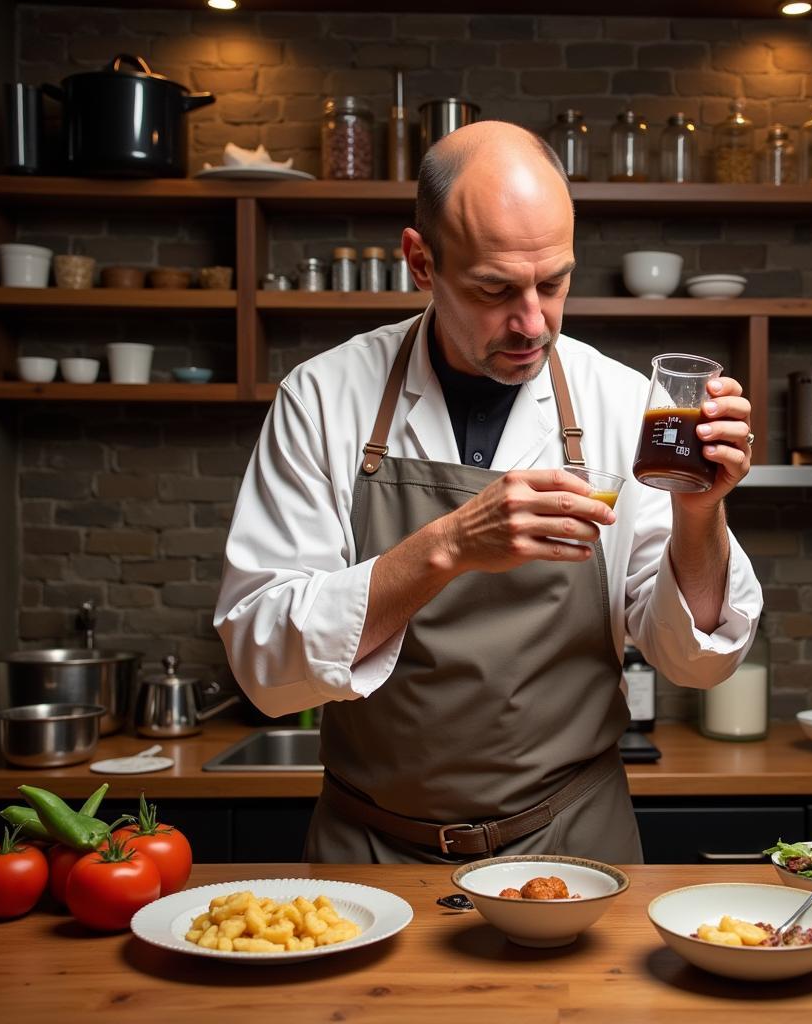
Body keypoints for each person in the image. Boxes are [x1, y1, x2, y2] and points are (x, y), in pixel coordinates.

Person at [215, 121, 763, 865]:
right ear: (420, 261)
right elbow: (262, 661)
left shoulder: (622, 403)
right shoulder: (322, 397)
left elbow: (695, 661)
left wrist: (702, 512)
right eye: (494, 289)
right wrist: (448, 545)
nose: (533, 323)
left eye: (554, 282)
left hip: (575, 847)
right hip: (370, 852)